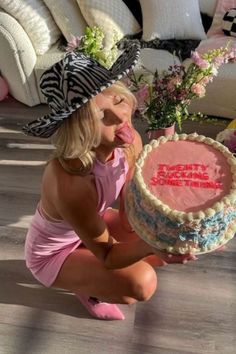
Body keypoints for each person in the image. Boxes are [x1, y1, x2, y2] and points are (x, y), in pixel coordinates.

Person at [22, 44, 196, 321]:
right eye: (101, 117)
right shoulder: (70, 181)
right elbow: (107, 255)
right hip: (54, 252)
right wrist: (149, 245)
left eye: (118, 101)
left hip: (91, 226)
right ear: (80, 128)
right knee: (141, 283)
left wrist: (174, 225)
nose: (120, 117)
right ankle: (88, 287)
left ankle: (91, 271)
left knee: (159, 246)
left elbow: (131, 206)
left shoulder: (129, 142)